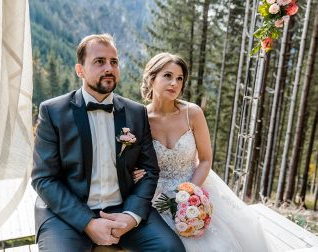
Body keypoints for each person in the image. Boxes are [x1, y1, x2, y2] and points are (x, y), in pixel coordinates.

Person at [31, 34, 185, 252]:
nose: (109, 68)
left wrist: (130, 217)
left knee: (171, 249)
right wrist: (88, 222)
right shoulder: (53, 111)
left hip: (124, 207)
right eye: (99, 61)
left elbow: (150, 170)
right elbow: (44, 178)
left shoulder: (135, 112)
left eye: (114, 62)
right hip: (67, 214)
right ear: (80, 70)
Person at [133, 52, 272, 251]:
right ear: (151, 78)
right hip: (156, 197)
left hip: (195, 186)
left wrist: (189, 194)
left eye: (179, 78)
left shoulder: (193, 113)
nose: (175, 83)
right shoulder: (139, 117)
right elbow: (133, 160)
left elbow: (206, 160)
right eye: (168, 76)